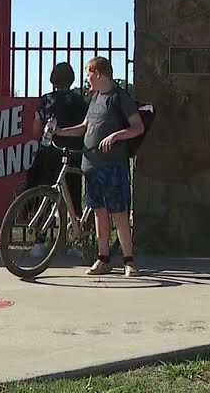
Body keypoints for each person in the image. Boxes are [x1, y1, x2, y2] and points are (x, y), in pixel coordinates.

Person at [53, 56, 144, 277]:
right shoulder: (94, 98)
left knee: (119, 213)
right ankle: (103, 258)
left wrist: (115, 136)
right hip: (91, 164)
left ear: (99, 73)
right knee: (99, 212)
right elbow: (85, 127)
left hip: (112, 164)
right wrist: (60, 132)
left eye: (89, 74)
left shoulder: (119, 97)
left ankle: (128, 260)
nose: (87, 79)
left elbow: (137, 127)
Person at [26, 62, 89, 258]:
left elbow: (36, 130)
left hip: (49, 154)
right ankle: (77, 241)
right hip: (74, 154)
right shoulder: (80, 102)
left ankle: (40, 241)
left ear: (53, 79)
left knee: (43, 195)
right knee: (74, 198)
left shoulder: (46, 101)